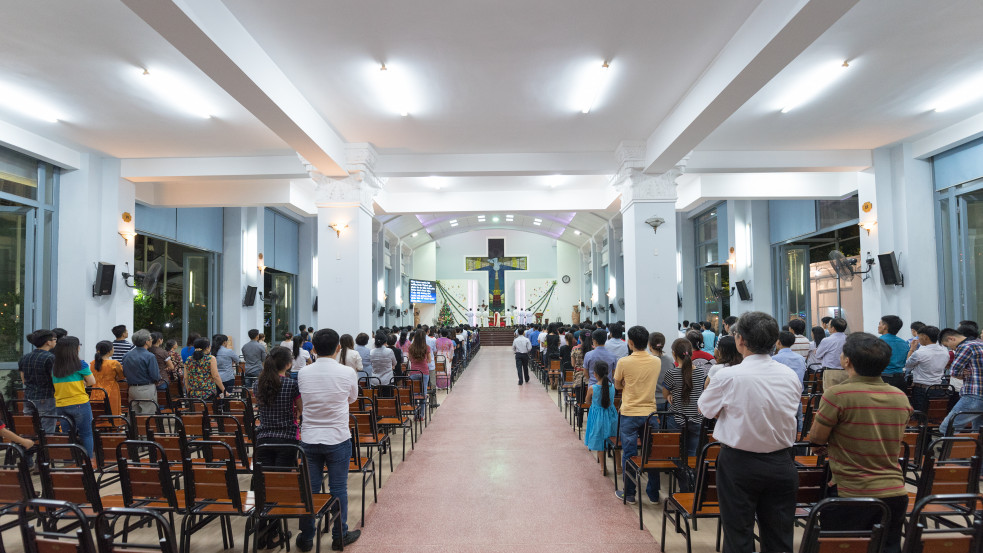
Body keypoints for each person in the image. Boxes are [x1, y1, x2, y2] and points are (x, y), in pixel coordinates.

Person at [697, 311, 801, 553]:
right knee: (780, 537)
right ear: (775, 341)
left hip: (739, 463)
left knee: (738, 535)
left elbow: (705, 409)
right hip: (782, 461)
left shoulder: (728, 376)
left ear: (740, 340)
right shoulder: (789, 375)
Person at [806, 332, 912, 553]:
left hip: (850, 490)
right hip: (895, 491)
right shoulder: (899, 396)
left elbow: (816, 438)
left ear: (847, 361)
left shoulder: (838, 394)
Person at [297, 329, 360, 551]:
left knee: (310, 489)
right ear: (338, 348)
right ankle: (339, 535)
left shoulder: (304, 373)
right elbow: (353, 398)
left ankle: (306, 537)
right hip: (337, 437)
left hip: (310, 438)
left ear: (313, 348)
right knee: (338, 488)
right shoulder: (347, 372)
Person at [614, 325, 661, 505]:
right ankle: (654, 494)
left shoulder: (624, 362)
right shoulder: (655, 361)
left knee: (629, 453)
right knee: (652, 454)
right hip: (650, 413)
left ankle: (630, 493)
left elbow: (618, 385)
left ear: (630, 342)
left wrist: (627, 383)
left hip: (630, 412)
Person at [253, 346, 302, 467]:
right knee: (282, 478)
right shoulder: (292, 384)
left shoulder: (257, 384)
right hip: (288, 436)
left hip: (263, 436)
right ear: (288, 364)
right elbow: (302, 409)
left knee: (266, 477)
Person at [51, 336, 96, 458]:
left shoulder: (54, 365)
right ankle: (88, 462)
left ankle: (70, 461)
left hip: (61, 404)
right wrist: (82, 382)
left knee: (67, 433)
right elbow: (92, 381)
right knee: (86, 434)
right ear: (75, 348)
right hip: (79, 403)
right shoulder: (80, 364)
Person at [663, 338, 706, 457]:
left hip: (677, 417)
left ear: (673, 354)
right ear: (691, 353)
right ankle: (690, 474)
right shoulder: (701, 372)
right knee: (692, 453)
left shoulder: (671, 373)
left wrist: (670, 395)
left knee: (676, 452)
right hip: (697, 418)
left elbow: (665, 395)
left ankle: (678, 474)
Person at [939, 325, 983, 435]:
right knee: (979, 430)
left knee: (947, 428)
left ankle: (951, 452)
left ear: (951, 338)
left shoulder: (965, 346)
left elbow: (954, 371)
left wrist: (961, 374)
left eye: (948, 345)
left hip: (974, 394)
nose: (951, 349)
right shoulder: (980, 344)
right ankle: (976, 452)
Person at [18, 329, 58, 435]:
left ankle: (29, 450)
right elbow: (54, 379)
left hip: (28, 397)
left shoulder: (24, 357)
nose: (55, 342)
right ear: (48, 342)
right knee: (46, 431)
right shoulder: (51, 358)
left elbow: (23, 380)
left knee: (30, 429)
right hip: (47, 397)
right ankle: (44, 451)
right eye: (54, 340)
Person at [904, 325, 949, 414]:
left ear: (925, 337)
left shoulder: (920, 353)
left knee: (920, 416)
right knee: (935, 416)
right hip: (938, 388)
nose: (918, 339)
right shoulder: (944, 350)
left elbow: (908, 366)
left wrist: (912, 349)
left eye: (919, 336)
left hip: (921, 390)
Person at [583, 360, 618, 463]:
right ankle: (619, 467)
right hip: (611, 416)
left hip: (597, 417)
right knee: (614, 440)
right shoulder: (612, 386)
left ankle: (603, 468)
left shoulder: (592, 388)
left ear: (595, 374)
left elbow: (587, 401)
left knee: (600, 443)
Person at [121, 330, 160, 414]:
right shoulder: (150, 356)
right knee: (148, 415)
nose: (151, 341)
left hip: (132, 388)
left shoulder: (126, 356)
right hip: (146, 388)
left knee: (133, 415)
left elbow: (124, 372)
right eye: (150, 339)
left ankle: (134, 428)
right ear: (146, 342)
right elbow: (155, 376)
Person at [90, 340, 124, 415]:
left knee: (97, 412)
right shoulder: (114, 363)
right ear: (109, 351)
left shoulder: (92, 363)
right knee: (112, 410)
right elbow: (121, 376)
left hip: (96, 390)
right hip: (111, 389)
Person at [816, 318, 848, 389]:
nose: (828, 326)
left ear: (833, 328)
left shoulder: (827, 340)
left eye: (829, 325)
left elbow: (818, 355)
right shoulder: (848, 339)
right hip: (847, 372)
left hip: (831, 372)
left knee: (830, 397)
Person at [878, 315, 908, 390]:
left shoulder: (877, 342)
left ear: (885, 326)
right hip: (900, 379)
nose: (878, 326)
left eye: (880, 324)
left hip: (883, 379)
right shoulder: (904, 343)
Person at [648, 332, 673, 413]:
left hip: (650, 401)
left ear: (649, 345)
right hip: (667, 400)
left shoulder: (647, 360)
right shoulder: (669, 360)